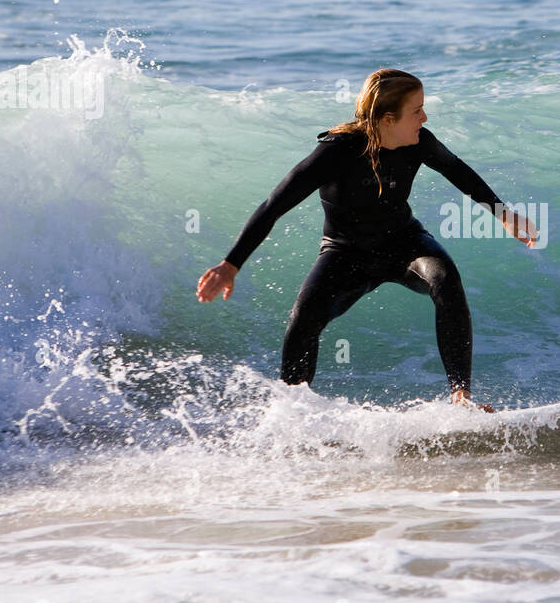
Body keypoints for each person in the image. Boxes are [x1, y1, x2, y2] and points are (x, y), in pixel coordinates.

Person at [196, 68, 537, 411]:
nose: (425, 116)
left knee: (445, 279)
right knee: (304, 318)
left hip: (405, 242)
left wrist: (503, 214)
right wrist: (231, 265)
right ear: (389, 119)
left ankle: (461, 397)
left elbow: (459, 171)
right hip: (345, 253)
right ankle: (292, 411)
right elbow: (274, 206)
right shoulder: (337, 151)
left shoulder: (418, 142)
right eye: (416, 110)